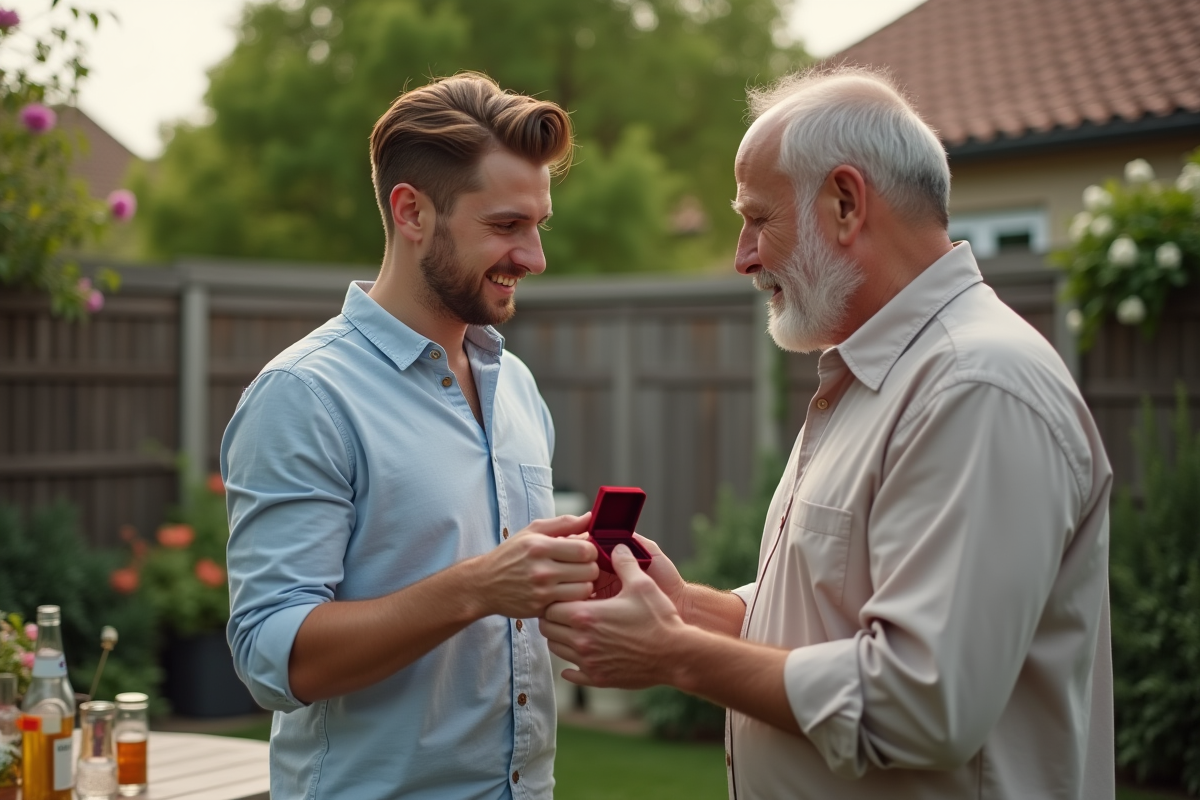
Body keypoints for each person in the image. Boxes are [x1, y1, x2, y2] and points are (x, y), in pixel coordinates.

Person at [542, 66, 1114, 800]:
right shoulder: (881, 375)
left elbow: (922, 702)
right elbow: (834, 612)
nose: (744, 255)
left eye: (757, 218)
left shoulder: (977, 386)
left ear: (845, 203)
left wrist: (675, 655)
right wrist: (690, 609)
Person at [221, 73, 599, 800]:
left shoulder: (513, 384)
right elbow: (274, 656)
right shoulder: (305, 396)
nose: (534, 257)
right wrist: (479, 587)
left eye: (538, 224)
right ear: (412, 212)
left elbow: (506, 614)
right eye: (505, 226)